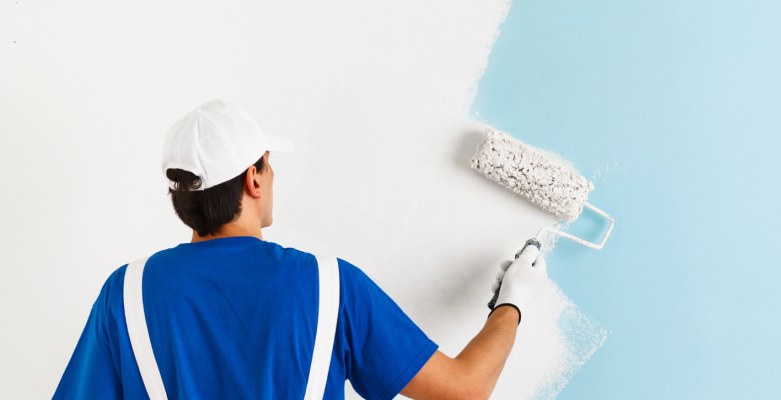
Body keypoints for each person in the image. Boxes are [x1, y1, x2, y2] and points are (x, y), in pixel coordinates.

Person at [52, 98, 548, 400]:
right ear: (253, 179)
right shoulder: (330, 287)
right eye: (268, 165)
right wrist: (513, 301)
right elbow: (465, 388)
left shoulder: (126, 294)